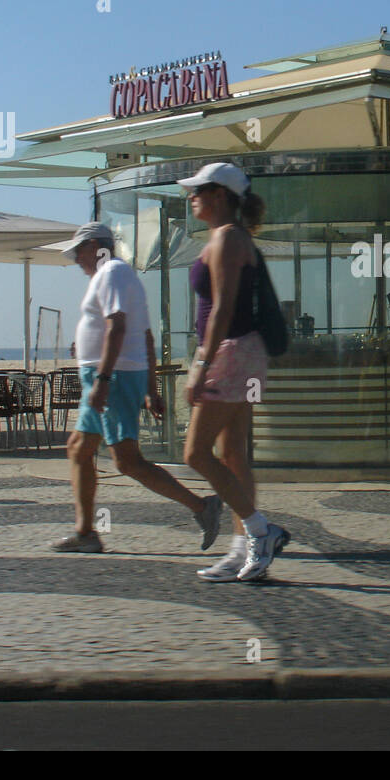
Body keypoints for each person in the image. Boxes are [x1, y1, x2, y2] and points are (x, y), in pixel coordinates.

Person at [54, 221, 222, 553]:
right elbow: (144, 336)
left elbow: (117, 327)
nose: (75, 260)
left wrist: (103, 381)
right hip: (110, 375)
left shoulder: (113, 273)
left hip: (113, 377)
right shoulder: (115, 275)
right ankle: (86, 532)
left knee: (127, 462)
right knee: (78, 448)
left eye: (78, 252)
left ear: (94, 247)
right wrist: (151, 388)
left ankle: (203, 507)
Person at [177, 161, 289, 582]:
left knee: (195, 453)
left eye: (198, 190)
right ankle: (242, 549)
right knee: (234, 456)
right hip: (247, 353)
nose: (192, 197)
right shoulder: (231, 236)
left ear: (220, 195)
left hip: (232, 351)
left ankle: (262, 531)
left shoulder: (226, 238)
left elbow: (222, 307)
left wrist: (200, 367)